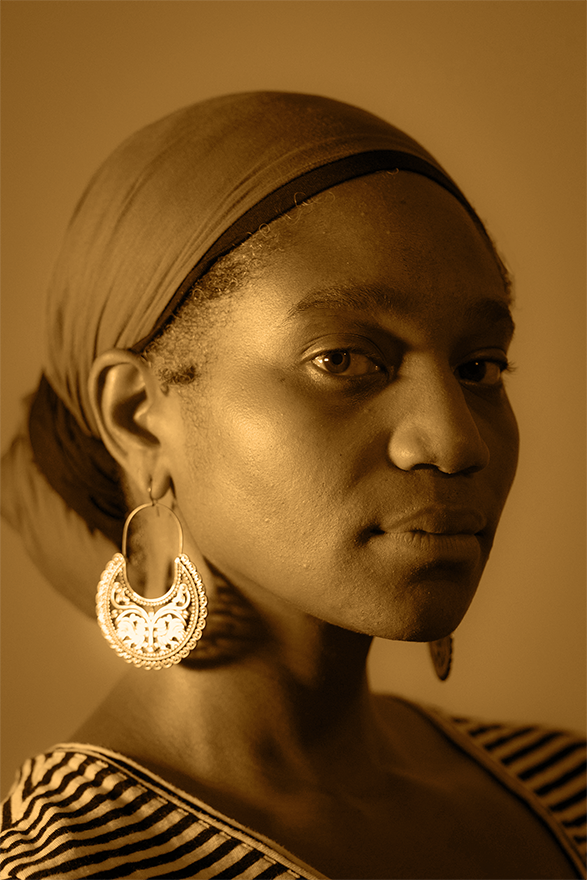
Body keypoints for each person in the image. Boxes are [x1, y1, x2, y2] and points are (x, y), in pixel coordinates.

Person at [0, 92, 585, 879]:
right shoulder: (78, 866)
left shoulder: (564, 790)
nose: (453, 440)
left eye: (478, 367)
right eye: (342, 361)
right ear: (139, 418)